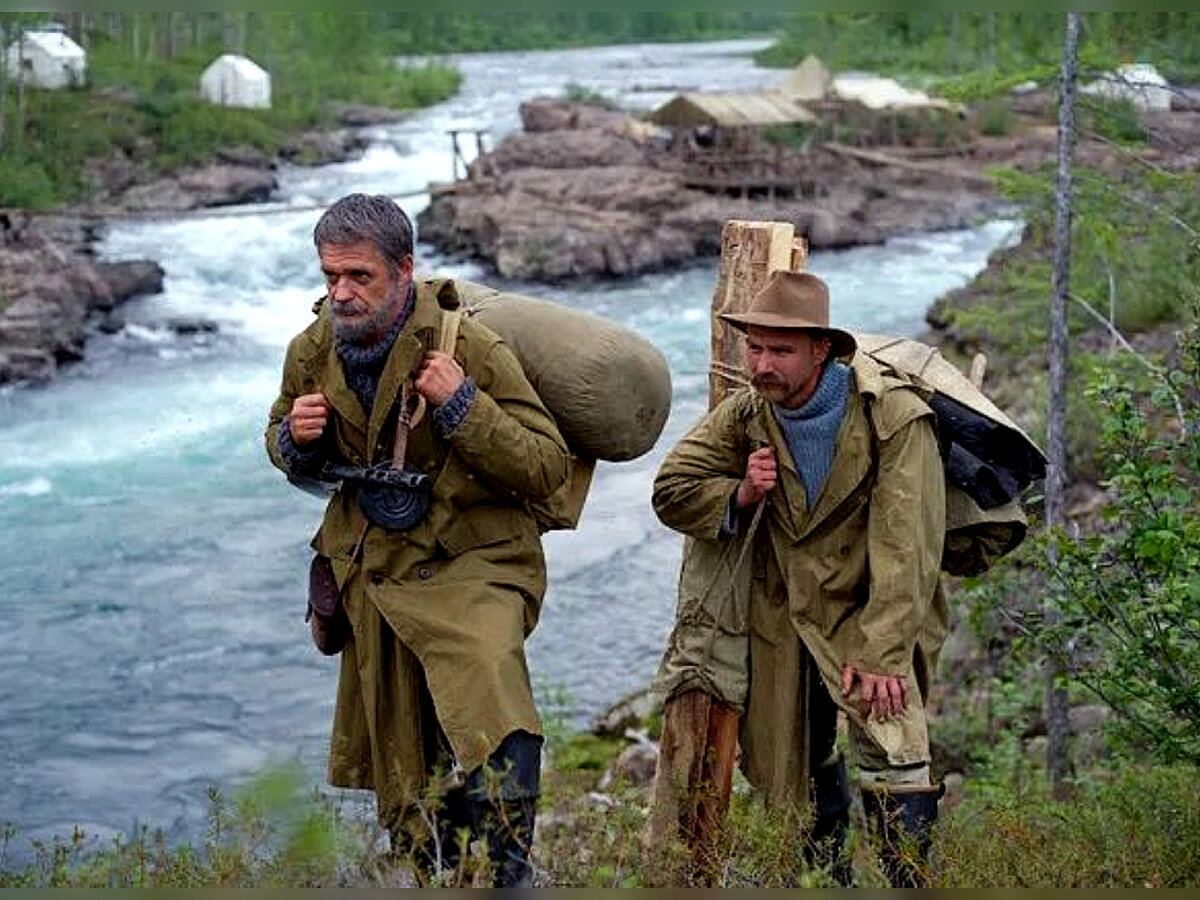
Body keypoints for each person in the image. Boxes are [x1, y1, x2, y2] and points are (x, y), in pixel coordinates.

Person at [265, 193, 570, 887]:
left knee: (496, 699)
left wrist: (463, 406)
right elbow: (282, 446)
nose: (341, 294)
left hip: (474, 559)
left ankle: (509, 873)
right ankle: (430, 868)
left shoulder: (469, 349)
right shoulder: (313, 351)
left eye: (359, 277)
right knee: (399, 754)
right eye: (330, 276)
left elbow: (545, 467)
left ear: (404, 270)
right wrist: (293, 441)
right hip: (372, 568)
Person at [650, 269, 949, 887]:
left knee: (897, 756)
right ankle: (825, 881)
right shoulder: (747, 413)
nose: (762, 363)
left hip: (870, 610)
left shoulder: (891, 414)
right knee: (793, 769)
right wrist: (738, 492)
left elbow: (908, 543)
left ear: (821, 350)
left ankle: (909, 882)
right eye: (754, 347)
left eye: (780, 350)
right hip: (785, 617)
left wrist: (883, 652)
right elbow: (671, 490)